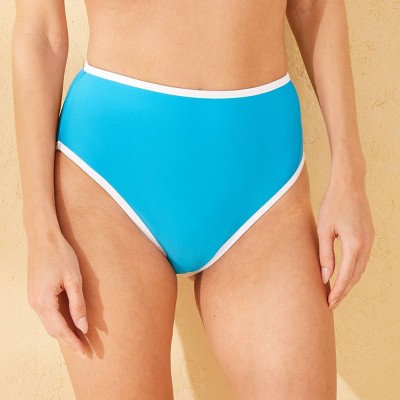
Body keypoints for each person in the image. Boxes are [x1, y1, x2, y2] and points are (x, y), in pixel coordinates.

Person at [12, 0, 375, 398]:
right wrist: (40, 232)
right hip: (107, 185)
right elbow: (40, 33)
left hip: (265, 189)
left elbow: (313, 5)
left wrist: (350, 174)